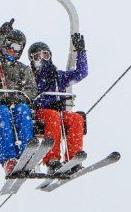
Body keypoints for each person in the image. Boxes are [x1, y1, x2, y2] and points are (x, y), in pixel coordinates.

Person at [0, 19, 37, 174]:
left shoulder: (22, 69)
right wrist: (0, 35)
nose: (12, 50)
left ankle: (26, 154)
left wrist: (18, 98)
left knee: (23, 110)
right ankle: (9, 159)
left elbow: (31, 90)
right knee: (3, 114)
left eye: (17, 47)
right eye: (9, 45)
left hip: (15, 104)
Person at [27, 34, 88, 172]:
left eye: (45, 55)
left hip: (59, 112)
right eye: (37, 57)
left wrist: (81, 52)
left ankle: (73, 158)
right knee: (53, 117)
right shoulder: (30, 76)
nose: (42, 59)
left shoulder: (58, 76)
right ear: (32, 60)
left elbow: (81, 73)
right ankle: (52, 159)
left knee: (76, 118)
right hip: (40, 113)